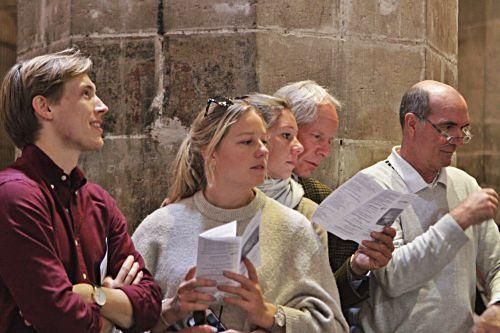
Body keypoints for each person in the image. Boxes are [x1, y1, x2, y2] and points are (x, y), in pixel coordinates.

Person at [132, 97, 349, 332]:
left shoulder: (294, 228)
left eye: (264, 141)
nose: (263, 151)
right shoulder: (160, 226)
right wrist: (171, 312)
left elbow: (334, 327)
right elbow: (117, 322)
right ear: (211, 152)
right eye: (247, 142)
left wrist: (268, 315)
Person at [0, 49, 162, 332]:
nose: (102, 107)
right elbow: (60, 319)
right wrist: (114, 306)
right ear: (45, 108)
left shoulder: (98, 201)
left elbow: (149, 304)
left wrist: (91, 295)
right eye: (86, 94)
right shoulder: (14, 196)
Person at [357, 80, 500, 332]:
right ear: (412, 124)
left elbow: (496, 262)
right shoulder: (373, 184)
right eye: (447, 127)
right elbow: (393, 278)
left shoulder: (464, 183)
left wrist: (497, 306)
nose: (458, 140)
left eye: (464, 129)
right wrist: (458, 220)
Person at [274, 81, 382, 310]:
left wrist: (356, 267)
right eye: (317, 137)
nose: (325, 151)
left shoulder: (321, 199)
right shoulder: (233, 191)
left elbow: (332, 298)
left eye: (330, 141)